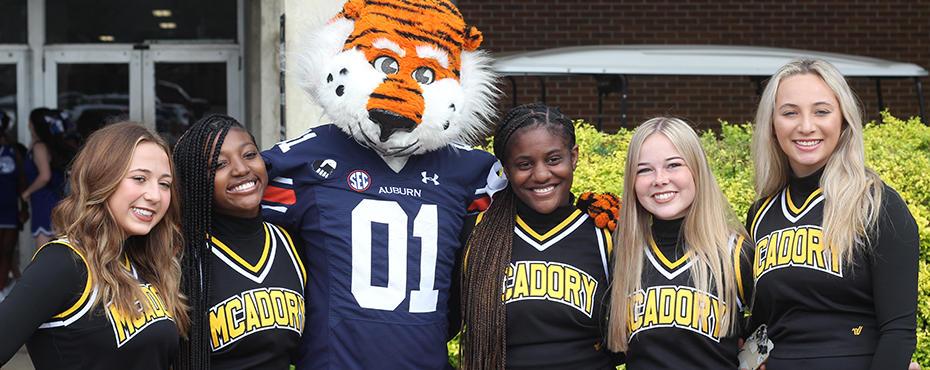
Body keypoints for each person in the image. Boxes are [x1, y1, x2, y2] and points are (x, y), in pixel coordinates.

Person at [747, 57, 918, 369]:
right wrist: (745, 362)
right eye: (790, 112)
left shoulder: (877, 205)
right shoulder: (761, 215)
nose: (806, 126)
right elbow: (763, 323)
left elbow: (898, 332)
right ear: (772, 124)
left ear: (844, 120)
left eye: (821, 111)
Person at [0, 121, 190, 369]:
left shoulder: (142, 261)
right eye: (139, 178)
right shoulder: (63, 262)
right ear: (101, 179)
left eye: (164, 184)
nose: (155, 195)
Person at [459, 103, 621, 370]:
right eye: (524, 164)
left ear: (574, 157)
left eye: (554, 159)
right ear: (506, 170)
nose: (542, 174)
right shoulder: (475, 233)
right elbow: (439, 323)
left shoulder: (605, 233)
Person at [604, 116, 754, 368]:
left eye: (673, 165)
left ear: (697, 169)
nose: (659, 179)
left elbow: (774, 326)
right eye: (644, 170)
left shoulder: (735, 253)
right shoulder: (622, 253)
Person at [173, 114, 306, 369]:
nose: (241, 169)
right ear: (196, 179)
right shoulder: (183, 257)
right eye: (220, 164)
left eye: (249, 155)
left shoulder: (291, 244)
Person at [20, 108, 75, 249]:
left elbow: (45, 176)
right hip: (54, 202)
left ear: (33, 125)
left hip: (45, 202)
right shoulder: (51, 145)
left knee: (44, 249)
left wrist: (27, 192)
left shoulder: (40, 147)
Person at [0, 110, 26, 300]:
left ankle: (1, 291)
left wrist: (24, 208)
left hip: (9, 209)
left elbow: (22, 181)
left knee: (7, 251)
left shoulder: (13, 151)